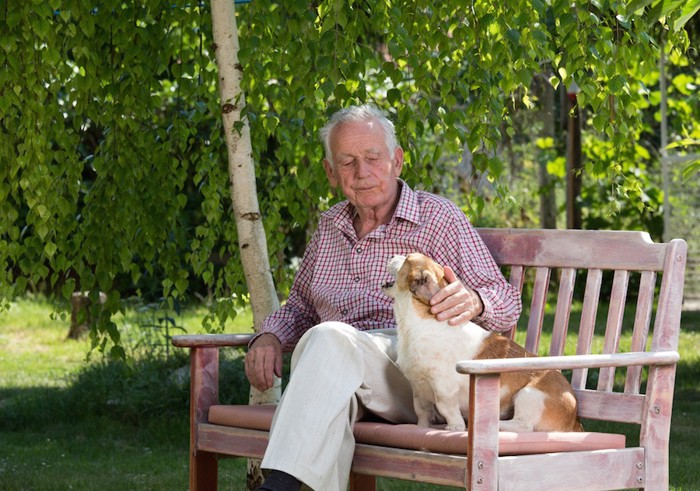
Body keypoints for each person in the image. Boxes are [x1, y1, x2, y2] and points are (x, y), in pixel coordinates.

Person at [244, 104, 522, 491]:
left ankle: (277, 487)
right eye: (348, 162)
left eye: (373, 158)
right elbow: (300, 309)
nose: (362, 172)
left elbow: (505, 298)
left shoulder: (438, 218)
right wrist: (270, 336)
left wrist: (475, 301)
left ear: (397, 161)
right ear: (330, 172)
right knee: (331, 374)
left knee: (329, 338)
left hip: (414, 375)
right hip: (338, 378)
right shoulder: (329, 228)